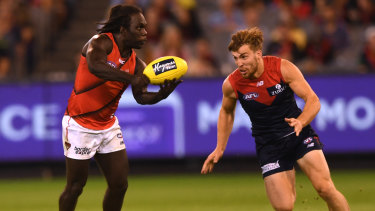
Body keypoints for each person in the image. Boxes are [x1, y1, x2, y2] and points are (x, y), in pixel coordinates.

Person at [201, 27, 350, 211]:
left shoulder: (282, 68)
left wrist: (301, 121)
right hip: (269, 146)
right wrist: (219, 148)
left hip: (299, 135)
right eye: (236, 58)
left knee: (325, 188)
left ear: (258, 54)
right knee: (284, 207)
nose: (239, 63)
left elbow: (313, 100)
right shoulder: (231, 84)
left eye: (244, 56)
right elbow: (226, 112)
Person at [59, 4, 181, 211]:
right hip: (80, 124)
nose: (145, 32)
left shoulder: (137, 64)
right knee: (76, 186)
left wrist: (160, 95)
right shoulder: (101, 42)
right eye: (139, 28)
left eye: (145, 27)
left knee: (119, 184)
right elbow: (95, 65)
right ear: (123, 30)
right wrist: (131, 78)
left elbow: (141, 97)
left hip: (107, 126)